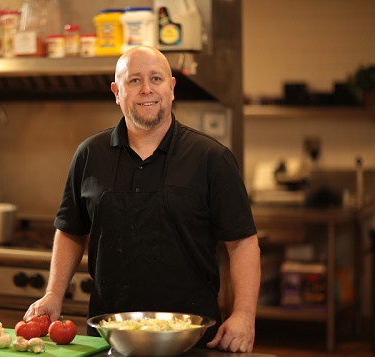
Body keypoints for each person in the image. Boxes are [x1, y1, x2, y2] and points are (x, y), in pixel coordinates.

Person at [24, 45, 261, 353]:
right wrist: (54, 294)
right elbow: (71, 229)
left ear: (172, 88)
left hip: (191, 338)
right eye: (134, 80)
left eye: (156, 79)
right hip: (109, 336)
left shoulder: (211, 159)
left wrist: (244, 314)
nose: (147, 89)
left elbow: (242, 242)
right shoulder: (89, 154)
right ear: (116, 91)